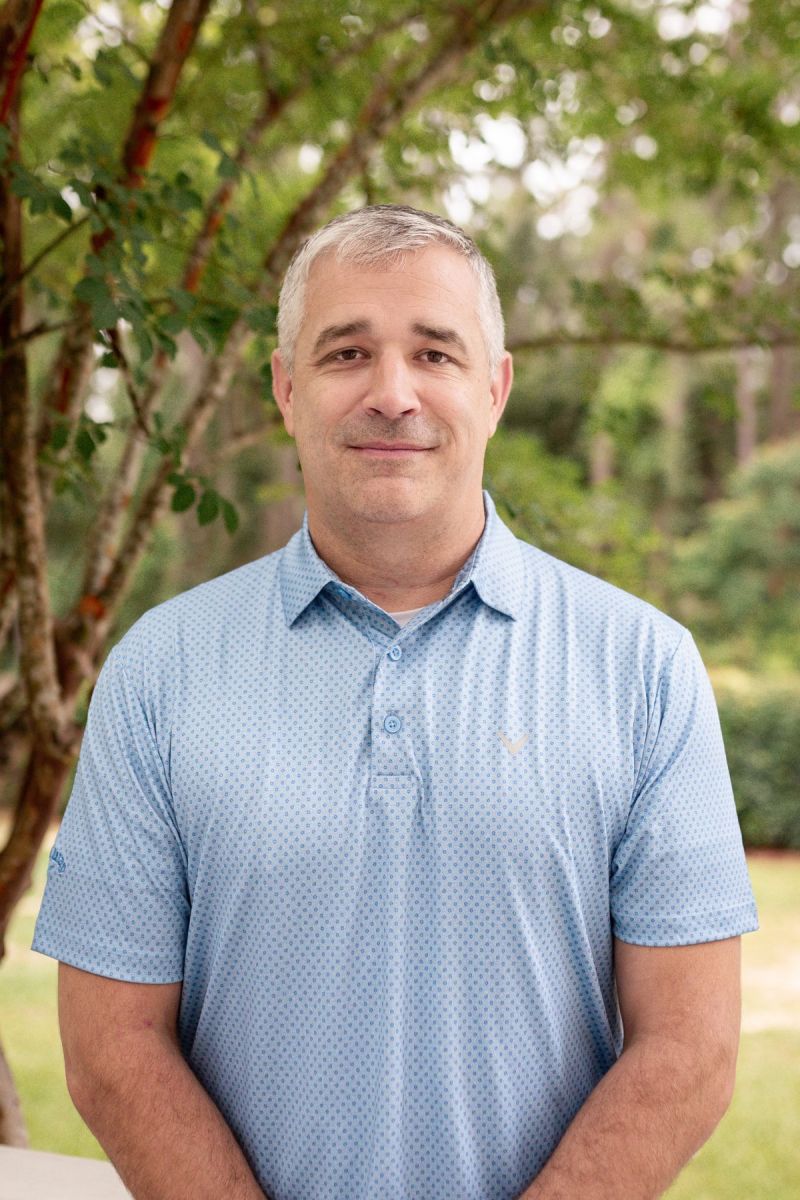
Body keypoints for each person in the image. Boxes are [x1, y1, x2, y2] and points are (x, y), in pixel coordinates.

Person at [33, 204, 759, 1200]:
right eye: (344, 354)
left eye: (434, 353)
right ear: (285, 390)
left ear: (494, 388)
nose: (391, 394)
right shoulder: (160, 672)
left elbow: (689, 1051)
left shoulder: (642, 668)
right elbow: (111, 1048)